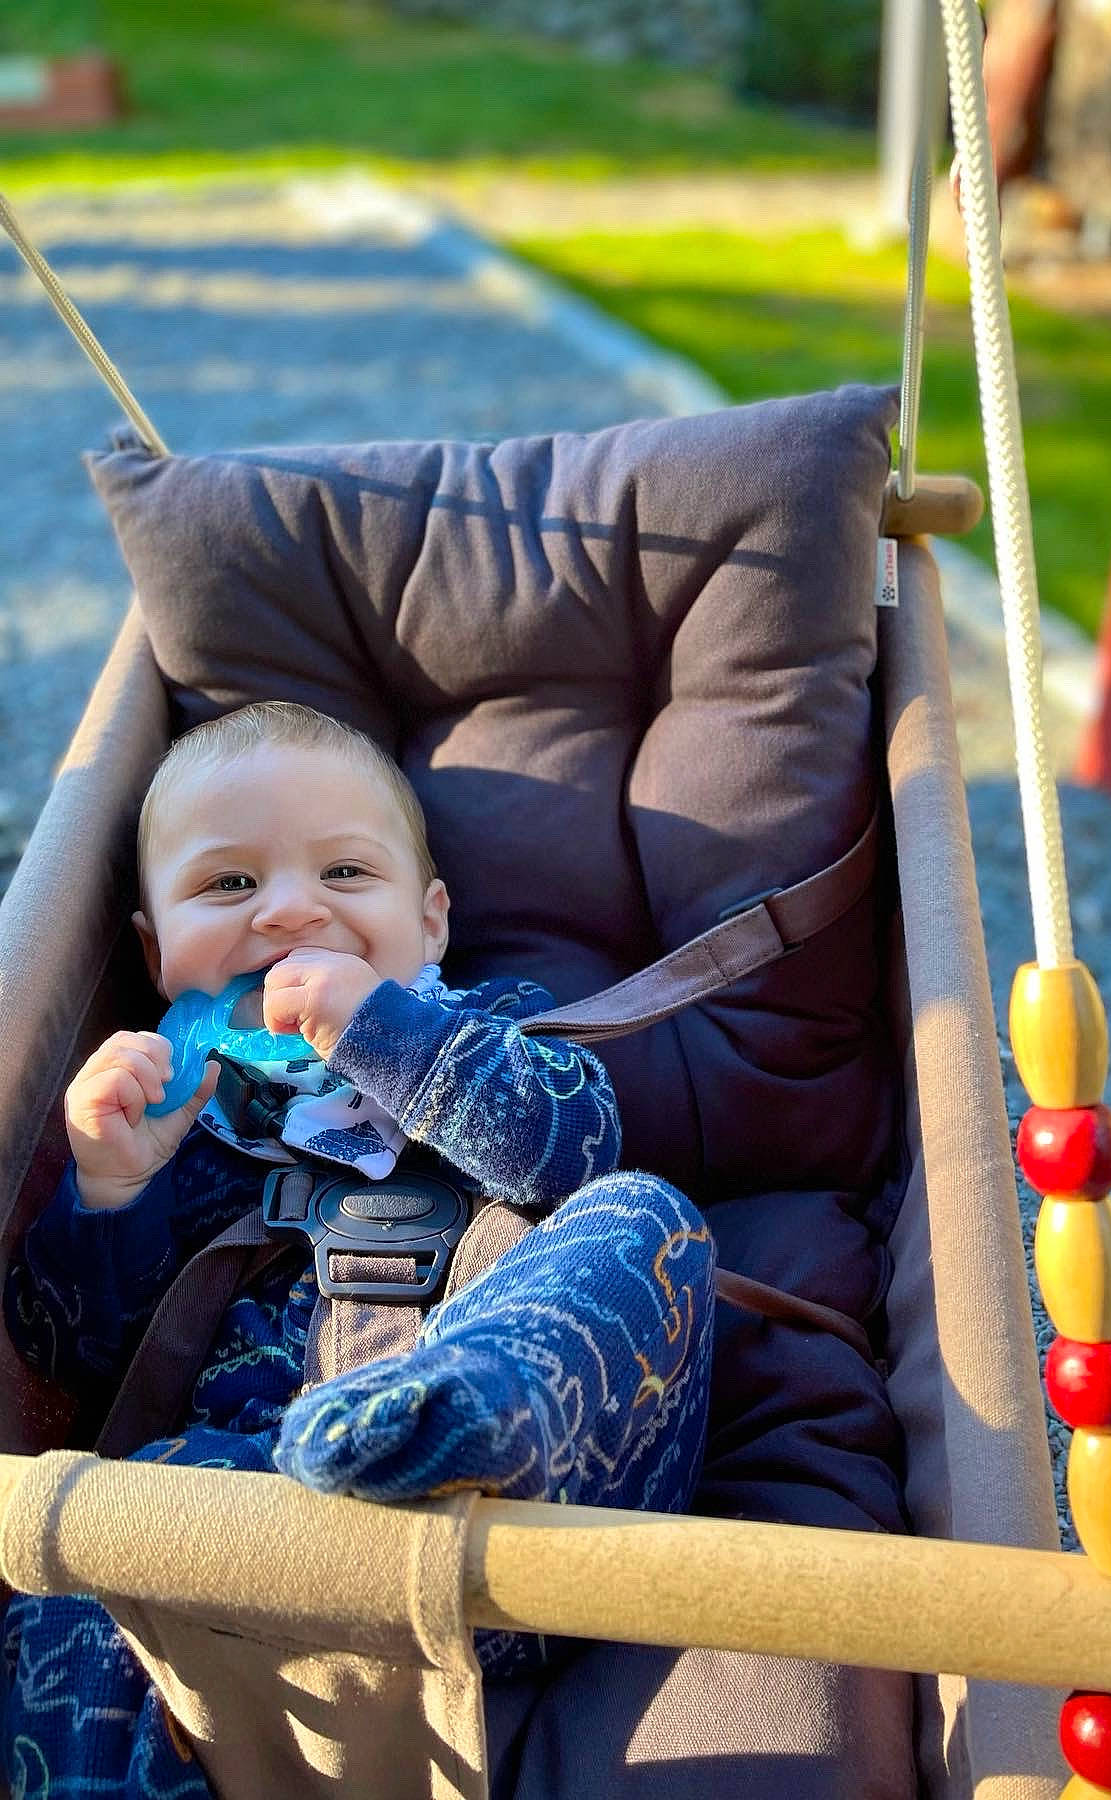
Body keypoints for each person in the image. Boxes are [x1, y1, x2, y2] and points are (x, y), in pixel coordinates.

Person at [2, 700, 715, 1798]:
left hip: (513, 1538)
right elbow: (77, 1354)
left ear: (431, 924)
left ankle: (459, 1417)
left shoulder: (487, 1029)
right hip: (243, 1528)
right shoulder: (177, 1106)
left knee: (643, 1218)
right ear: (153, 949)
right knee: (77, 1570)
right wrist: (110, 1188)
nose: (290, 911)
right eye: (229, 885)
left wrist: (383, 1032)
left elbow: (571, 1145)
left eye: (343, 875)